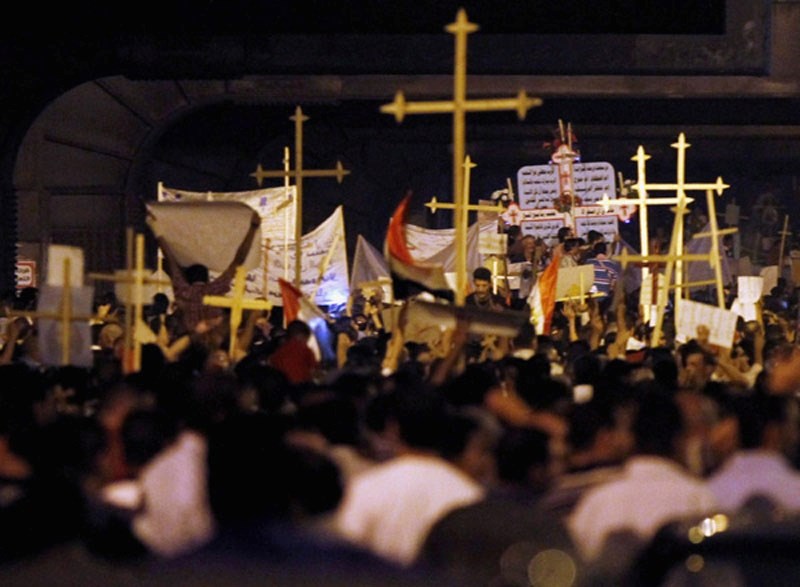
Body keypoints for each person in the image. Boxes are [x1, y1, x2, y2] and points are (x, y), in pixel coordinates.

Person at [149, 208, 261, 337]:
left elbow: (170, 259)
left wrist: (156, 228)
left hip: (190, 345)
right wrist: (253, 228)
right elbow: (238, 261)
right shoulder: (215, 289)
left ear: (187, 278)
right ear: (207, 277)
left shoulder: (184, 291)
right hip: (215, 343)